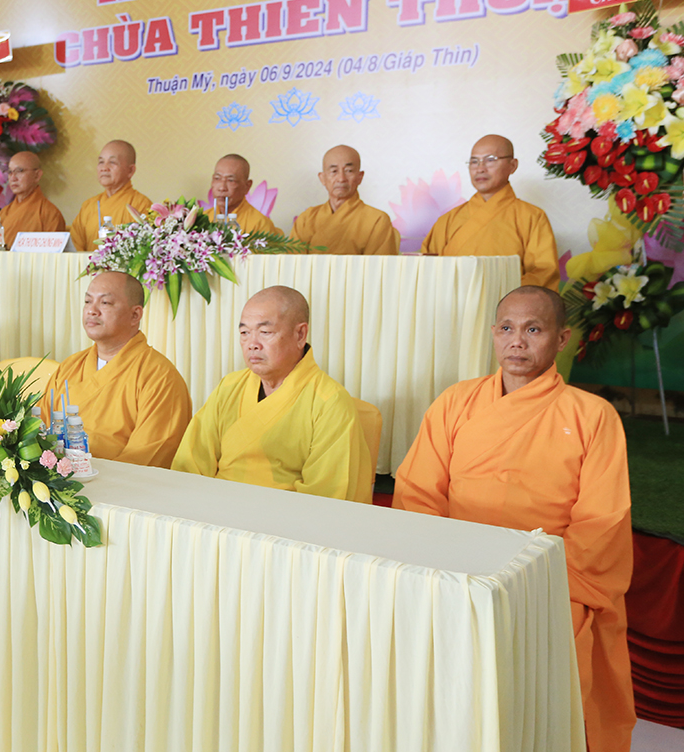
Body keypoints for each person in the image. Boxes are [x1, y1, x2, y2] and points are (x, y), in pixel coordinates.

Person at [393, 286, 634, 752]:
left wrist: (529, 576)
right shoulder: (456, 401)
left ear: (561, 339)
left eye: (533, 329)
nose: (517, 341)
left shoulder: (593, 416)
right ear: (492, 334)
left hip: (550, 577)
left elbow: (601, 521)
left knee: (538, 706)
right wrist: (449, 567)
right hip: (456, 568)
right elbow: (418, 493)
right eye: (506, 328)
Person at [172, 286, 372, 501]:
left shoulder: (329, 402)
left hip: (283, 516)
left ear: (300, 334)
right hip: (213, 507)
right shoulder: (229, 387)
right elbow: (190, 465)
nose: (252, 345)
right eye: (244, 333)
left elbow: (325, 496)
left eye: (265, 332)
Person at [40, 271, 191, 467]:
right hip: (58, 479)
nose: (92, 310)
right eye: (87, 301)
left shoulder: (160, 376)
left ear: (135, 315)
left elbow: (148, 456)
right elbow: (39, 430)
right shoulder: (70, 367)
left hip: (118, 483)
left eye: (105, 303)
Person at [422, 135, 559, 288]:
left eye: (490, 160)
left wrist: (496, 293)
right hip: (452, 301)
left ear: (512, 165)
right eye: (474, 161)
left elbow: (543, 274)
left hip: (506, 302)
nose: (480, 168)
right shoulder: (447, 220)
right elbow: (426, 269)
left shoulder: (532, 217)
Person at [290, 145, 399, 255]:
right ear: (322, 178)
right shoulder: (306, 219)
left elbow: (379, 265)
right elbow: (293, 263)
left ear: (360, 177)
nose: (341, 179)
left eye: (349, 171)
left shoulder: (377, 220)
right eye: (334, 171)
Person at [69, 140, 154, 251]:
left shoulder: (141, 205)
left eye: (112, 162)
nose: (104, 168)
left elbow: (144, 249)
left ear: (130, 170)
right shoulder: (88, 206)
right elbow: (75, 248)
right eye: (101, 162)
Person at [0, 151, 66, 248]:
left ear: (37, 175)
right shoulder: (4, 213)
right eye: (10, 172)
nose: (13, 178)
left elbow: (54, 254)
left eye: (19, 171)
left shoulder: (49, 214)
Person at [208, 154, 278, 234]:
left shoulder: (260, 224)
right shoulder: (202, 218)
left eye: (231, 180)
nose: (222, 188)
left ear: (247, 186)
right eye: (217, 178)